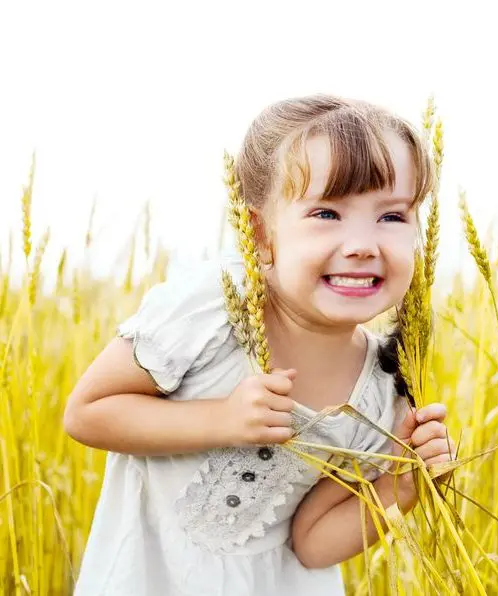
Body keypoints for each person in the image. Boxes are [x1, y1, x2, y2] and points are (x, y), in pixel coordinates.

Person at [62, 93, 456, 595]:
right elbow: (88, 412)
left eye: (392, 216)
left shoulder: (384, 388)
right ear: (260, 235)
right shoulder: (213, 310)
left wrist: (402, 486)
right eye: (327, 214)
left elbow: (312, 542)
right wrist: (221, 419)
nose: (362, 244)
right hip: (151, 578)